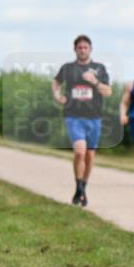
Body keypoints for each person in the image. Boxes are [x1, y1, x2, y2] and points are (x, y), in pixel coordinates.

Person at [52, 35, 111, 207]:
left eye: (85, 47)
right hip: (73, 116)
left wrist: (95, 82)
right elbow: (56, 82)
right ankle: (79, 186)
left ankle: (82, 188)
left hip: (94, 118)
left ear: (91, 49)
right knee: (79, 152)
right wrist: (57, 96)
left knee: (90, 155)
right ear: (75, 49)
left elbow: (108, 92)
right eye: (79, 47)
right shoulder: (67, 68)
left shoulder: (99, 68)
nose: (82, 50)